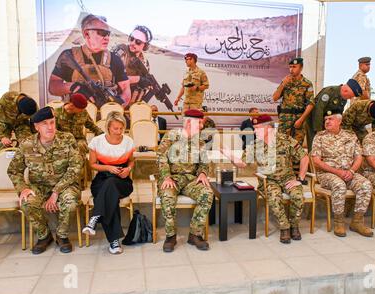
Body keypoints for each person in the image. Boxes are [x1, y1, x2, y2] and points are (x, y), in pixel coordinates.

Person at [221, 115, 310, 244]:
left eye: (257, 128)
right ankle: (284, 227)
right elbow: (243, 163)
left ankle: (294, 226)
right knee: (274, 197)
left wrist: (300, 179)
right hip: (268, 180)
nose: (254, 131)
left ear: (268, 128)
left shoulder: (285, 140)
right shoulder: (255, 145)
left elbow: (304, 157)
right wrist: (230, 156)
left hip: (288, 178)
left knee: (298, 195)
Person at [7, 107, 82, 255]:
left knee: (70, 202)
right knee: (27, 203)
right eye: (45, 123)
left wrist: (56, 192)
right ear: (36, 127)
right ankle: (44, 236)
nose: (50, 127)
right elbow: (14, 170)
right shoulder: (26, 145)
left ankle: (62, 236)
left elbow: (76, 168)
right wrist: (23, 188)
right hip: (38, 186)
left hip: (65, 185)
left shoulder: (67, 139)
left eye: (52, 122)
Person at [157, 109, 213, 253]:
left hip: (190, 180)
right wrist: (166, 177)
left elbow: (205, 163)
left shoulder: (199, 141)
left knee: (207, 193)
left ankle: (195, 234)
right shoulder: (171, 136)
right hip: (172, 178)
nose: (201, 126)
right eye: (199, 123)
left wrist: (202, 173)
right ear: (188, 122)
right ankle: (170, 236)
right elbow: (161, 157)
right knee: (167, 196)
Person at [311, 109, 373, 238]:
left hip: (349, 173)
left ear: (339, 121)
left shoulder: (351, 136)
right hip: (327, 174)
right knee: (339, 185)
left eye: (330, 119)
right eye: (326, 120)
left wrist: (351, 171)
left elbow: (359, 157)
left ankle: (357, 221)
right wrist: (337, 172)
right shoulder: (320, 137)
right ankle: (339, 222)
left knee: (365, 184)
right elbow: (316, 161)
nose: (327, 122)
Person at [49, 14, 131, 108]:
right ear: (86, 34)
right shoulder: (69, 56)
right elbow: (53, 86)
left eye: (108, 33)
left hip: (105, 116)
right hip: (76, 115)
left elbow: (126, 88)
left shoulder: (114, 59)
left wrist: (119, 104)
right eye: (102, 33)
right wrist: (74, 87)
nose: (107, 37)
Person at [82, 111, 135, 255]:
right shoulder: (97, 141)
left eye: (121, 128)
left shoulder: (128, 141)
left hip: (122, 180)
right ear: (108, 128)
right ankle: (114, 242)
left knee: (110, 186)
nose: (119, 132)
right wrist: (108, 167)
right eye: (115, 128)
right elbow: (92, 164)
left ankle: (95, 217)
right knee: (110, 196)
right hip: (102, 179)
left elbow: (131, 160)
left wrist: (128, 169)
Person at [309, 79, 363, 148]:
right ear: (345, 91)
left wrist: (336, 127)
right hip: (314, 120)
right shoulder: (330, 92)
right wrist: (318, 130)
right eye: (350, 96)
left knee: (325, 146)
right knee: (314, 145)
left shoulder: (344, 99)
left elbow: (338, 113)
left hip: (326, 122)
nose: (349, 99)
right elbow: (318, 110)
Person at [273, 58, 315, 146]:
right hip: (285, 119)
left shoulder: (307, 84)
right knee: (281, 146)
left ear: (301, 68)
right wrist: (283, 84)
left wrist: (301, 119)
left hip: (299, 119)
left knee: (296, 148)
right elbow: (275, 98)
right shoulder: (285, 81)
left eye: (294, 67)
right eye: (290, 67)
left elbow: (310, 104)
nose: (291, 69)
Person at [113, 25, 153, 105]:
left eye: (138, 42)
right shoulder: (121, 51)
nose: (132, 43)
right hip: (117, 100)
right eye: (131, 39)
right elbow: (112, 77)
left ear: (145, 45)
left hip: (133, 104)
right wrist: (138, 79)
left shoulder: (145, 62)